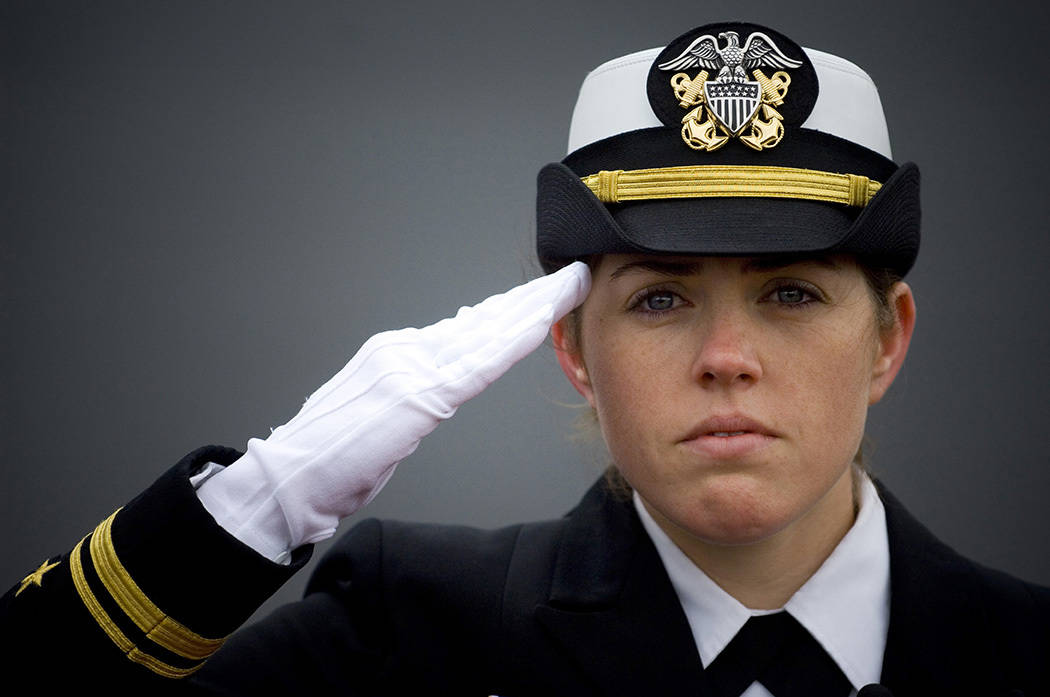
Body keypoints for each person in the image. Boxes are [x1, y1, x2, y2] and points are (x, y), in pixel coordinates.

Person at [3, 20, 1048, 696]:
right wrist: (257, 506)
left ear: (888, 337)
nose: (728, 356)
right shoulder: (403, 638)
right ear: (574, 350)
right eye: (660, 298)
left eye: (790, 291)